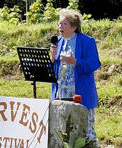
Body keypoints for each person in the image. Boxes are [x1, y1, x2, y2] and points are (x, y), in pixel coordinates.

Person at [50, 9, 101, 146]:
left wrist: (76, 62)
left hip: (80, 90)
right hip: (61, 90)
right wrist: (53, 58)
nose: (60, 27)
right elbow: (54, 70)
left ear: (74, 27)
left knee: (86, 126)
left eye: (64, 24)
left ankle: (89, 145)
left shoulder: (87, 41)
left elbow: (95, 63)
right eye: (59, 23)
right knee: (62, 123)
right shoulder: (58, 41)